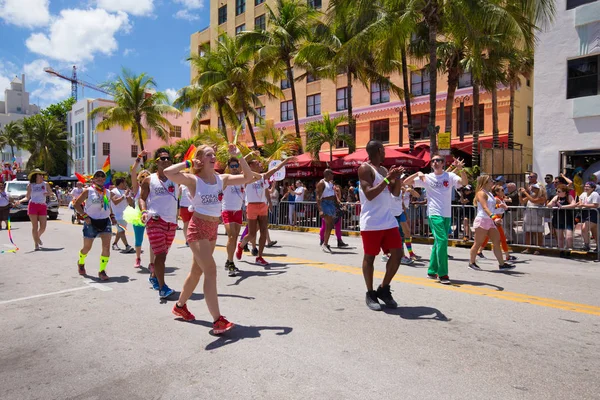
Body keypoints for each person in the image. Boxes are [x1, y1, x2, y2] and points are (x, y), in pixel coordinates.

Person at [165, 144, 253, 334]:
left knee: (196, 272)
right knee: (211, 271)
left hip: (213, 229)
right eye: (208, 154)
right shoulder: (194, 180)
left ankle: (180, 306)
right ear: (200, 159)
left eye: (214, 154)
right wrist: (188, 162)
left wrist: (239, 156)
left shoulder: (222, 179)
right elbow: (168, 172)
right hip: (197, 229)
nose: (213, 157)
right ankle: (217, 320)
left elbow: (249, 177)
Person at [405, 155, 468, 284]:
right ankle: (443, 273)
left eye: (438, 160)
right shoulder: (427, 177)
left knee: (437, 243)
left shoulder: (449, 176)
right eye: (433, 161)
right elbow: (406, 182)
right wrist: (418, 172)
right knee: (443, 240)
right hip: (434, 213)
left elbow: (464, 183)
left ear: (443, 163)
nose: (435, 162)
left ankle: (432, 271)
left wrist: (461, 169)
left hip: (446, 214)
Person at [357, 140, 404, 311]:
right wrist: (387, 178)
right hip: (371, 222)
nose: (385, 153)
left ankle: (384, 288)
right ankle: (370, 293)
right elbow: (369, 194)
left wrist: (397, 179)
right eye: (383, 150)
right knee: (370, 257)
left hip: (388, 220)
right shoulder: (364, 169)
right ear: (378, 150)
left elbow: (395, 192)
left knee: (398, 254)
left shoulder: (384, 170)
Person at [139, 148, 178, 299]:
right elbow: (142, 198)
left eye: (168, 159)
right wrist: (143, 211)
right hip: (155, 220)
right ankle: (163, 288)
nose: (166, 161)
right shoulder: (149, 180)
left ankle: (154, 276)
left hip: (171, 222)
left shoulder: (176, 178)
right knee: (160, 254)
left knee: (162, 255)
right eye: (163, 159)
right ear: (157, 162)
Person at [237, 158, 292, 266]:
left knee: (263, 231)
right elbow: (240, 167)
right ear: (251, 165)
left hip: (262, 206)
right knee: (252, 233)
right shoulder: (246, 177)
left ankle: (259, 257)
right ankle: (241, 245)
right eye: (257, 163)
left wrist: (287, 160)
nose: (260, 164)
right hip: (252, 206)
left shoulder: (263, 177)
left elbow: (276, 168)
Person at [73, 170, 118, 280]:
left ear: (104, 180)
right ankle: (81, 262)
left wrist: (112, 216)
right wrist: (84, 216)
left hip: (105, 221)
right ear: (93, 179)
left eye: (102, 177)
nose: (100, 179)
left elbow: (107, 205)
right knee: (87, 248)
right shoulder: (88, 191)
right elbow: (76, 204)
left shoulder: (107, 192)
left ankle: (102, 271)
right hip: (91, 222)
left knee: (106, 247)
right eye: (97, 177)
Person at [468, 176, 516, 271]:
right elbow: (485, 207)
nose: (493, 182)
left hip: (490, 220)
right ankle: (471, 262)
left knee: (496, 242)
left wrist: (499, 205)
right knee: (478, 243)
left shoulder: (489, 193)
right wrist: (494, 217)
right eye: (490, 180)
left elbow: (491, 207)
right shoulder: (481, 193)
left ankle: (502, 264)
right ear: (485, 182)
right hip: (482, 220)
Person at [222, 156, 246, 277]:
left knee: (235, 238)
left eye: (236, 166)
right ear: (229, 168)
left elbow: (251, 174)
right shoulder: (225, 179)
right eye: (232, 166)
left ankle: (228, 260)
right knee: (231, 237)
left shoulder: (242, 179)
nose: (235, 168)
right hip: (227, 210)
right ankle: (231, 263)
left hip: (238, 211)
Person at [129, 150, 153, 269]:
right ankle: (138, 258)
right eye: (142, 176)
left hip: (151, 216)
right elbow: (133, 171)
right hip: (138, 217)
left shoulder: (153, 188)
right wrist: (139, 157)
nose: (144, 178)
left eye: (146, 176)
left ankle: (152, 262)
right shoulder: (136, 188)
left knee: (153, 240)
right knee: (138, 240)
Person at [19, 169, 51, 251]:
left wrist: (47, 194)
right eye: (40, 175)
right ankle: (36, 243)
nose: (42, 176)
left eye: (42, 175)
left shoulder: (45, 184)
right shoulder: (31, 185)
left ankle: (37, 237)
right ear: (36, 176)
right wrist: (19, 201)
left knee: (43, 227)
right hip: (33, 205)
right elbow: (27, 197)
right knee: (35, 226)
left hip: (42, 206)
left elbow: (51, 193)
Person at [548, 184, 576, 255]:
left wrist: (563, 206)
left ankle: (569, 250)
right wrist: (553, 204)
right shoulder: (556, 197)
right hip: (558, 218)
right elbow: (549, 205)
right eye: (557, 191)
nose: (557, 192)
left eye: (559, 191)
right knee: (560, 237)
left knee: (569, 237)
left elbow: (574, 204)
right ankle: (561, 251)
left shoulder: (569, 197)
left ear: (564, 192)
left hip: (568, 218)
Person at [316, 169, 339, 253]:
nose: (333, 175)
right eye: (331, 174)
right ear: (327, 174)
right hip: (325, 203)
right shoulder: (321, 183)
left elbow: (333, 194)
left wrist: (337, 204)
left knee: (330, 224)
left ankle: (325, 243)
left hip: (331, 204)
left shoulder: (330, 183)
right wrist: (320, 210)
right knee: (329, 224)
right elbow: (318, 197)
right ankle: (325, 243)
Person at [520, 183, 546, 254]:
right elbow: (522, 201)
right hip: (528, 215)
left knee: (537, 232)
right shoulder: (531, 195)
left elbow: (533, 201)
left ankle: (538, 248)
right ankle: (528, 248)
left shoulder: (542, 197)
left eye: (535, 188)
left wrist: (525, 192)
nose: (533, 189)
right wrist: (520, 194)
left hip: (536, 216)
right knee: (528, 232)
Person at [110, 178, 134, 253]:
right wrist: (124, 196)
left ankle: (114, 243)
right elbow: (115, 202)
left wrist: (128, 196)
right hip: (117, 215)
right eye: (124, 183)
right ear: (121, 183)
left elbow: (131, 204)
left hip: (125, 215)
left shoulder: (126, 192)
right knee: (122, 231)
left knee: (120, 231)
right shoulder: (113, 191)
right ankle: (127, 246)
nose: (126, 184)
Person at [578, 181, 599, 252]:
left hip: (594, 213)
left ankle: (586, 245)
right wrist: (581, 203)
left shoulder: (595, 194)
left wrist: (583, 205)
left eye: (588, 187)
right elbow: (580, 199)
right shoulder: (583, 194)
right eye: (585, 186)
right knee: (595, 232)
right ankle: (598, 247)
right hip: (586, 213)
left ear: (593, 188)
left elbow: (595, 205)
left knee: (584, 228)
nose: (586, 188)